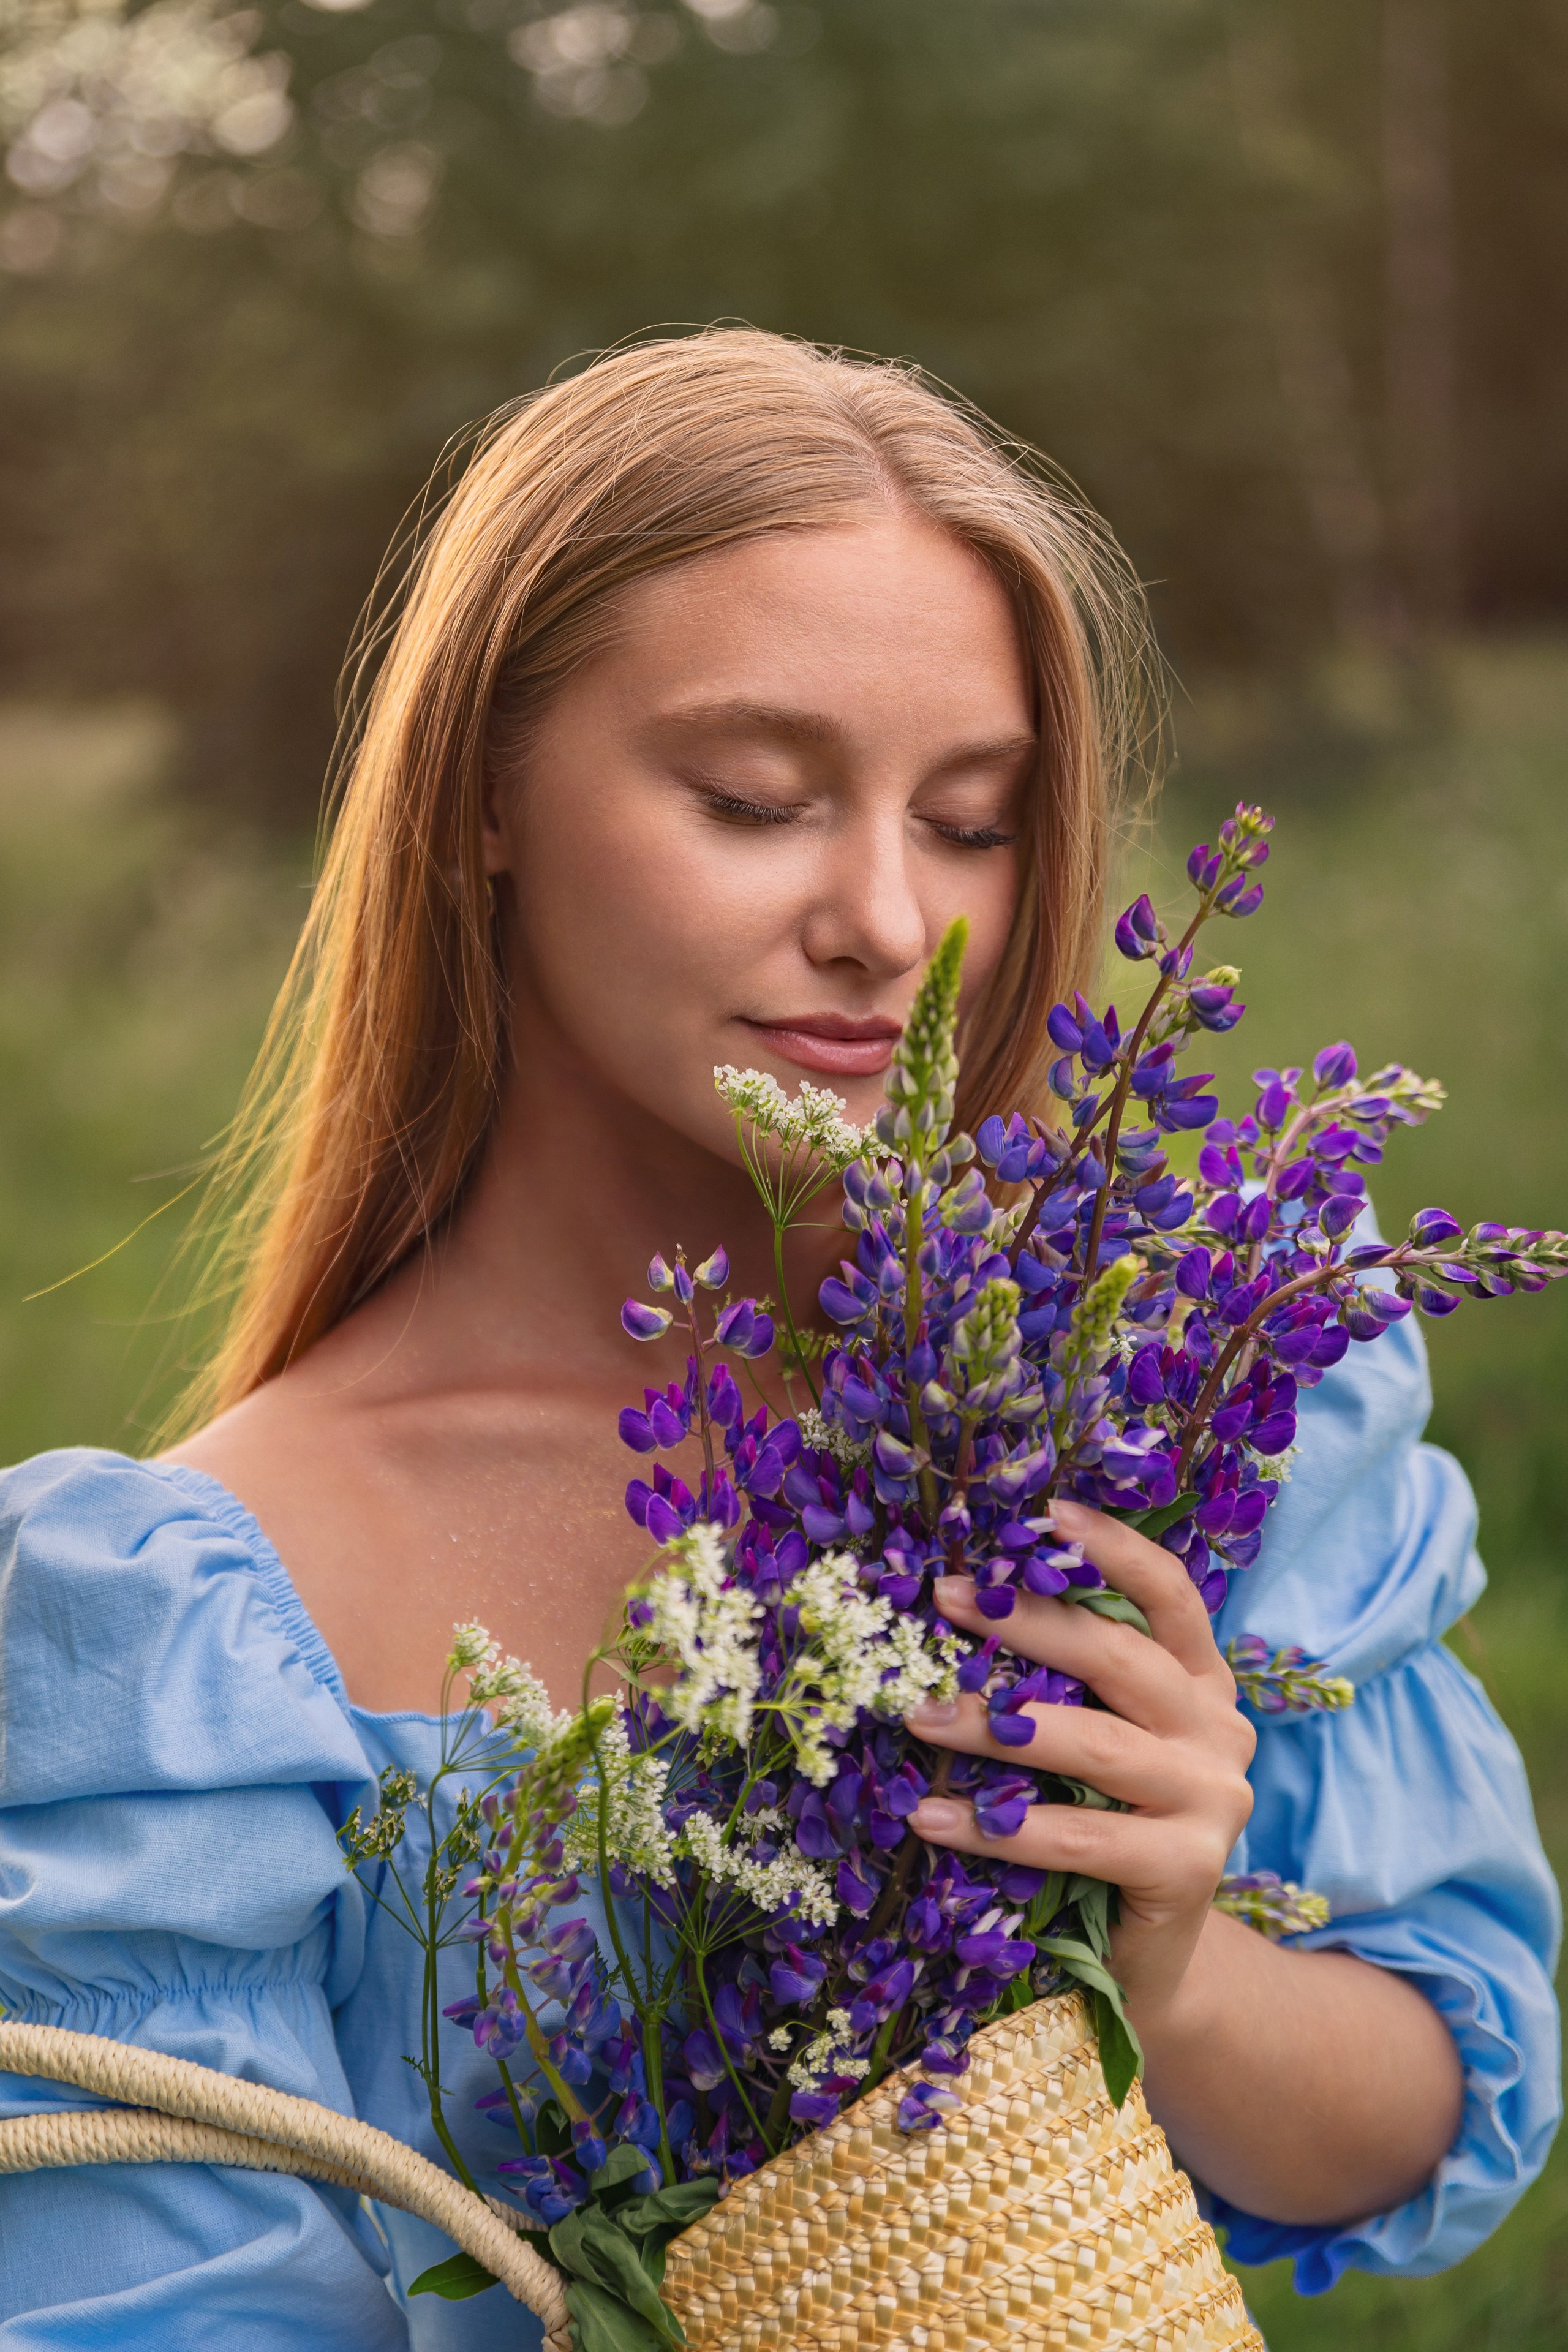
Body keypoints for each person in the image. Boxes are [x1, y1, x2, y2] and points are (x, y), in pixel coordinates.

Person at [0, 331, 1556, 2350]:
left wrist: (1172, 1958)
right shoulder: (166, 1636)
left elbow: (1433, 2113)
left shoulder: (1140, 1396)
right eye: (755, 801)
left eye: (974, 819)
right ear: (481, 796)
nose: (889, 922)